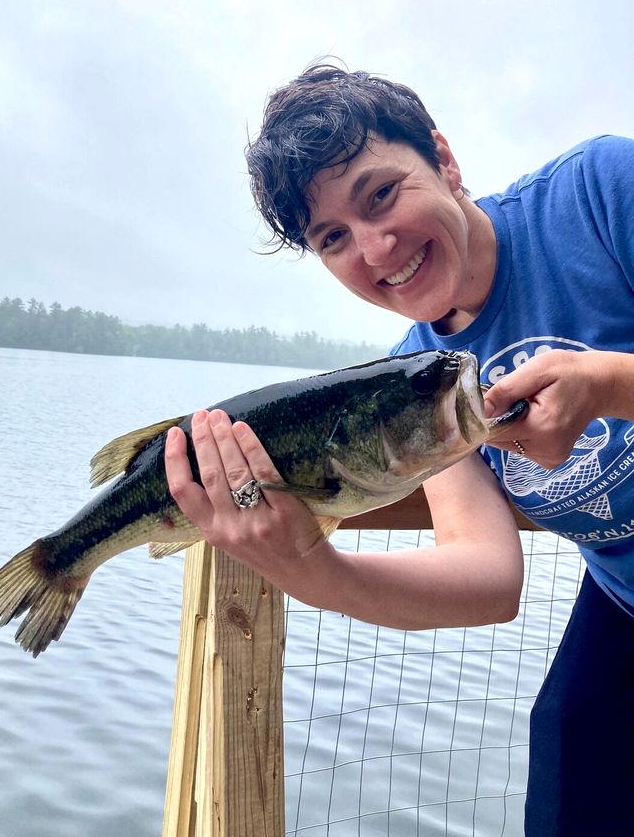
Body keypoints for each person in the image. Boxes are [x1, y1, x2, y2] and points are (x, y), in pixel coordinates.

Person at [164, 63, 634, 835]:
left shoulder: (599, 193)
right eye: (333, 237)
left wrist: (610, 385)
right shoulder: (414, 387)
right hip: (624, 601)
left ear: (444, 160)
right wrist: (312, 569)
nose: (377, 248)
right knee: (569, 772)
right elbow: (487, 577)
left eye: (381, 194)